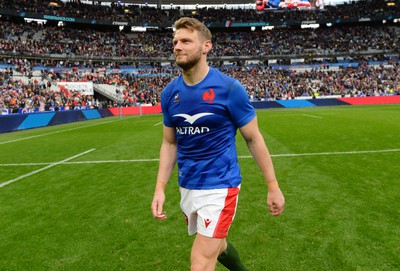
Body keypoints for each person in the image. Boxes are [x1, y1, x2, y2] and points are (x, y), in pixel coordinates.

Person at [151, 17, 285, 271]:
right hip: (188, 185)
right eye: (175, 41)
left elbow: (253, 138)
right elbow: (169, 144)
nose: (177, 46)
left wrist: (273, 186)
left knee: (201, 260)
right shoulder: (170, 93)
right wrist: (160, 188)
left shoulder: (229, 89)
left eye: (186, 41)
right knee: (217, 244)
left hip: (221, 187)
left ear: (206, 47)